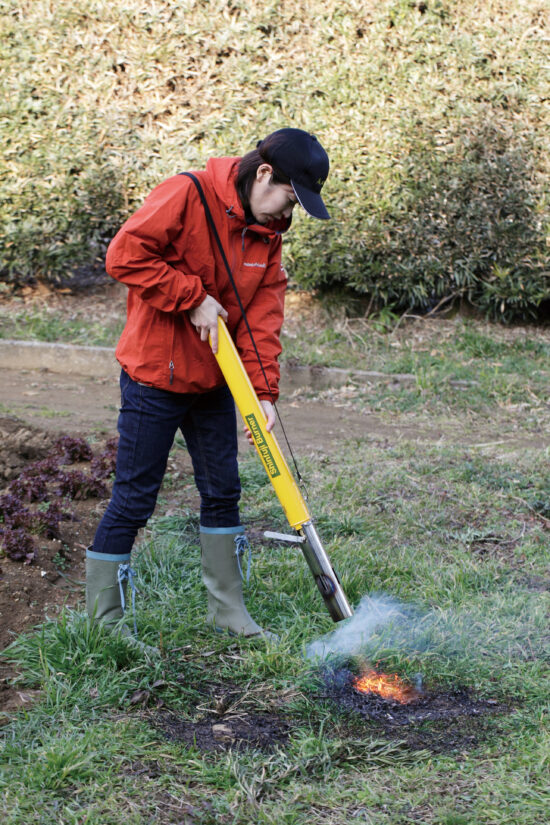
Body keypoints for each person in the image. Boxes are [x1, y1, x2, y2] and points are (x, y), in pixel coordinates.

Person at [86, 128, 330, 644]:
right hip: (155, 375)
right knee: (134, 499)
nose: (288, 214)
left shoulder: (267, 234)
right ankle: (105, 627)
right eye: (290, 199)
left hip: (219, 379)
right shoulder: (187, 193)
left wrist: (263, 392)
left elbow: (262, 318)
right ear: (264, 174)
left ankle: (228, 613)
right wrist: (192, 297)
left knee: (223, 492)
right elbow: (124, 256)